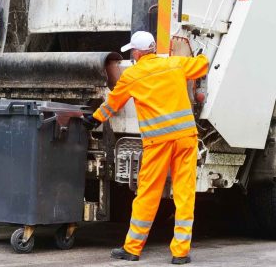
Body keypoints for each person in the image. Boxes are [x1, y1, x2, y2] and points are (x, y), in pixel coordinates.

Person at [83, 31, 209, 265]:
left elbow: (113, 103)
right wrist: (201, 53)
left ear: (138, 53)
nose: (132, 54)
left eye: (132, 51)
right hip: (185, 139)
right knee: (184, 194)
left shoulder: (133, 75)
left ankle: (132, 249)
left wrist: (94, 119)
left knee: (148, 194)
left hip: (157, 143)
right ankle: (180, 253)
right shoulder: (175, 64)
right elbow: (201, 66)